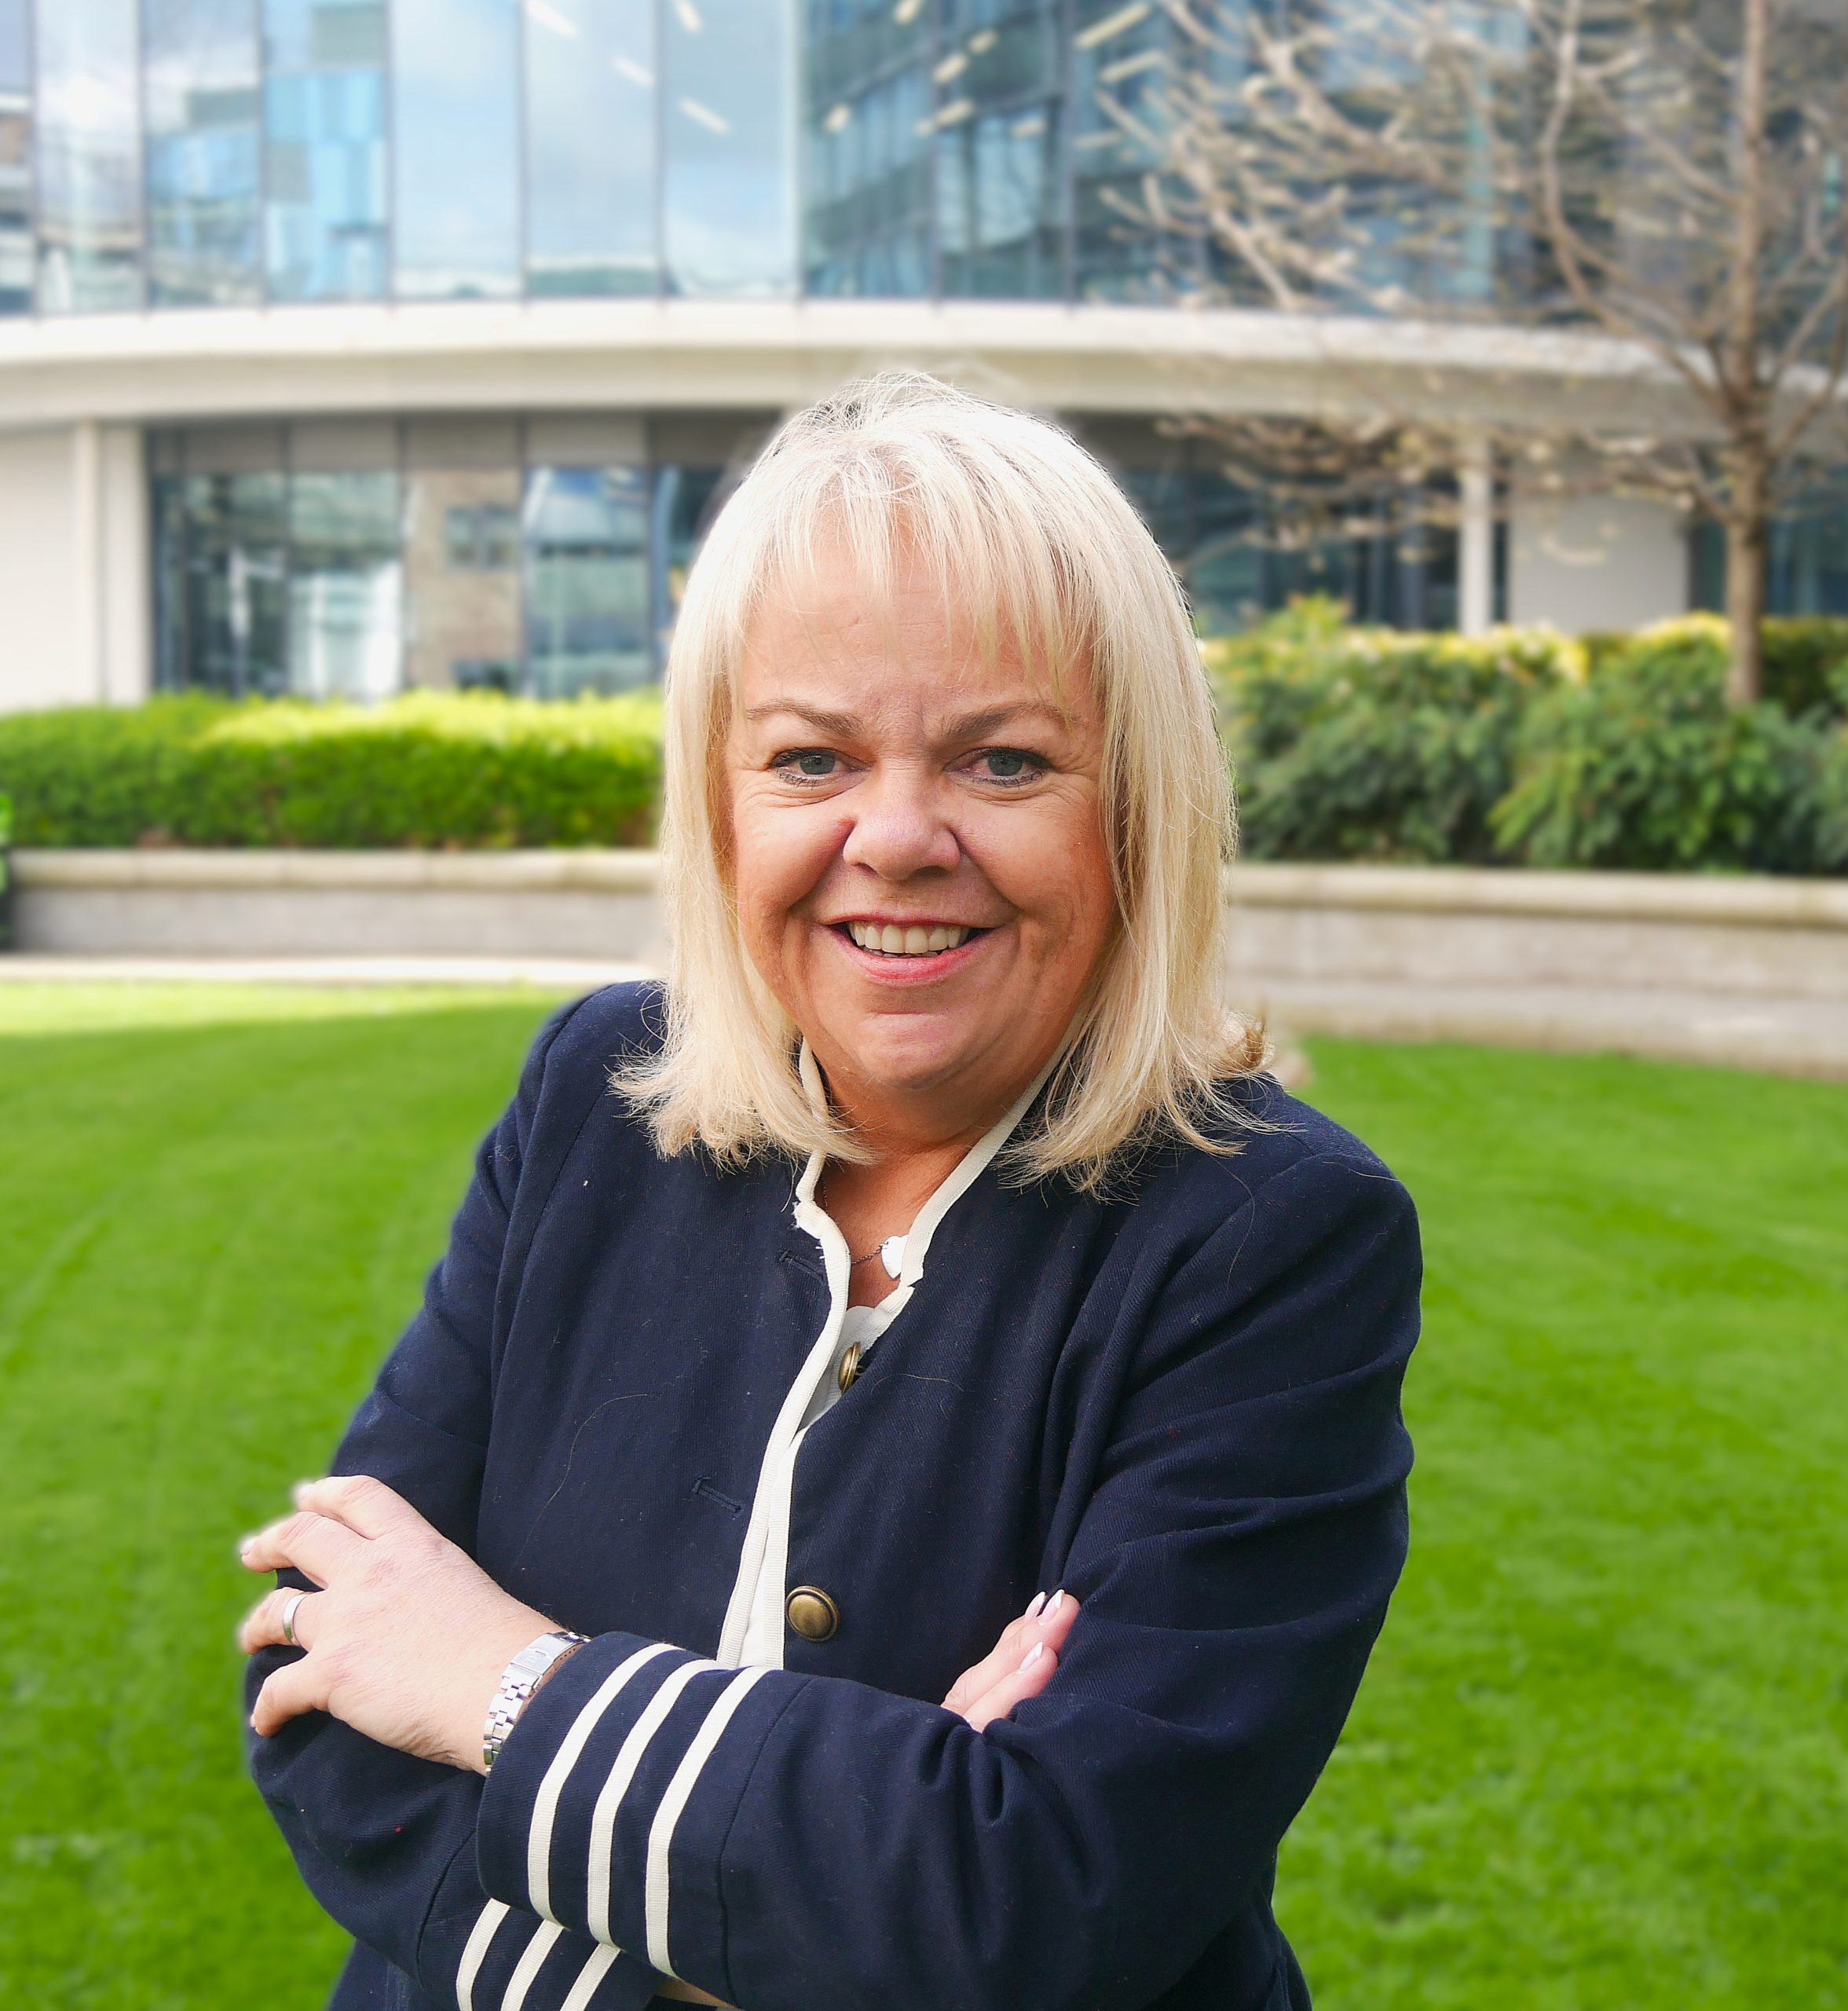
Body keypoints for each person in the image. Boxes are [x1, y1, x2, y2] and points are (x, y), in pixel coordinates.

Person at [239, 372, 1420, 2011]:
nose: (898, 834)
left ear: (1137, 809)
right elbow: (326, 1677)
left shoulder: (1267, 1235)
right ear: (720, 804)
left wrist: (501, 1681)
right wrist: (829, 1881)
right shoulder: (592, 1093)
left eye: (1003, 759)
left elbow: (1036, 1904)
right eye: (811, 756)